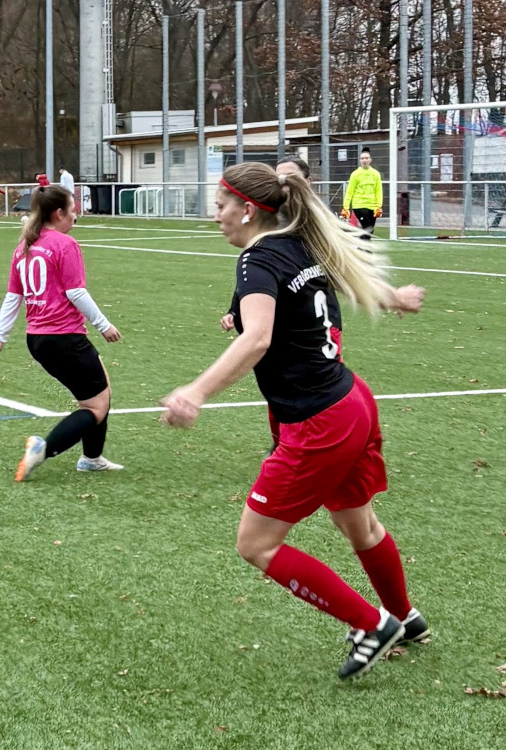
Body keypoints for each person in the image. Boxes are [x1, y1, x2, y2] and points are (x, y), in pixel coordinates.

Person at [162, 162, 427, 680]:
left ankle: (371, 624)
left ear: (248, 209)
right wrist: (394, 297)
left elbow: (256, 338)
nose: (215, 216)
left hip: (319, 419)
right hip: (351, 402)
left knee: (255, 544)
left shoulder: (257, 260)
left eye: (220, 207)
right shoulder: (299, 242)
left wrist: (195, 392)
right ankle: (404, 615)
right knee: (360, 523)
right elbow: (338, 283)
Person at [221, 156, 420, 457]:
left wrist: (194, 393)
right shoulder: (284, 241)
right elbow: (262, 288)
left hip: (322, 383)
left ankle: (290, 448)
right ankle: (286, 444)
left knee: (307, 389)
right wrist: (235, 308)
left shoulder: (287, 241)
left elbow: (343, 272)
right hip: (346, 398)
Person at [0, 185, 123, 481]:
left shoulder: (24, 247)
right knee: (97, 405)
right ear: (59, 213)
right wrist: (103, 324)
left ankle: (91, 458)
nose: (75, 216)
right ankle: (42, 449)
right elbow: (76, 291)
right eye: (72, 210)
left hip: (38, 340)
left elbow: (12, 298)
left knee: (101, 391)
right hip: (64, 338)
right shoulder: (64, 243)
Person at [341, 148, 383, 237]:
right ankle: (364, 249)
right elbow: (349, 191)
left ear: (370, 160)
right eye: (362, 158)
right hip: (359, 205)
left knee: (369, 230)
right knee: (367, 228)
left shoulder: (376, 174)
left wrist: (379, 206)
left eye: (366, 158)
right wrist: (346, 207)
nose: (364, 160)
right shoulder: (355, 174)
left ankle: (362, 248)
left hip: (372, 206)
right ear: (360, 161)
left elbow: (378, 190)